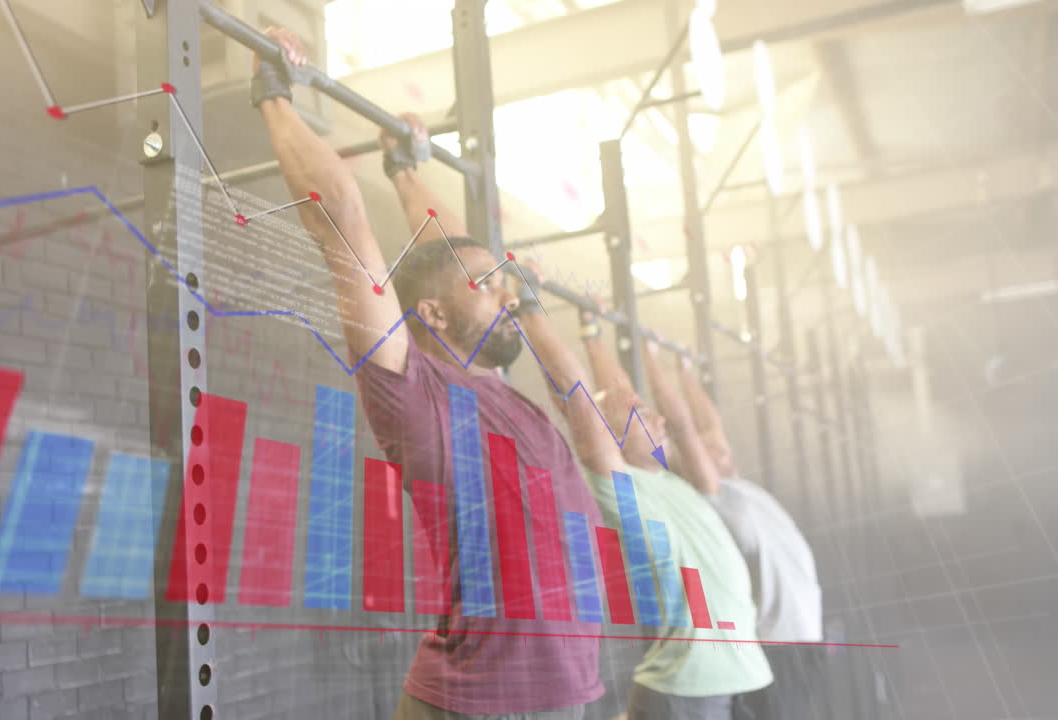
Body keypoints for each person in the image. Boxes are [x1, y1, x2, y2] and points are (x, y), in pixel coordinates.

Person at [250, 29, 604, 720]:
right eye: (490, 289)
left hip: (556, 697)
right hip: (481, 704)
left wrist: (406, 169)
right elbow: (344, 226)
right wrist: (274, 91)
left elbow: (448, 262)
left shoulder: (493, 384)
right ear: (435, 316)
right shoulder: (412, 389)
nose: (510, 298)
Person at [516, 286, 772, 720]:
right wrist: (525, 302)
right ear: (609, 438)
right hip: (689, 687)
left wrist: (591, 328)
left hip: (734, 679)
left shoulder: (667, 479)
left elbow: (615, 394)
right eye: (640, 412)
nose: (657, 417)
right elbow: (576, 396)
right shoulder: (619, 489)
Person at [673, 355, 826, 720]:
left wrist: (685, 372)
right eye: (704, 448)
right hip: (778, 644)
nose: (715, 444)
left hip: (798, 641)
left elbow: (709, 424)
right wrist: (647, 359)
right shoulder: (720, 500)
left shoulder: (741, 488)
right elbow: (685, 431)